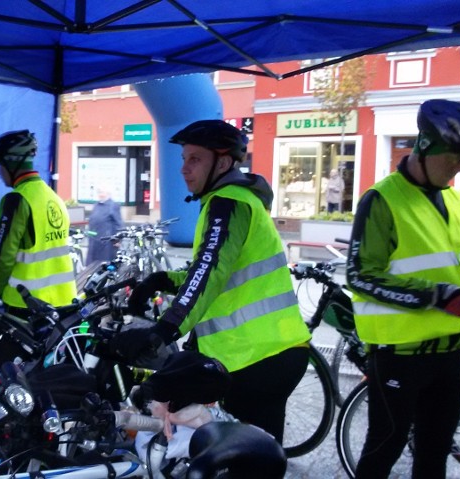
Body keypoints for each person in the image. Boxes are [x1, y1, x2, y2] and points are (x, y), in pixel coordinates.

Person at [112, 119, 312, 443]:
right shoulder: (237, 200)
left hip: (256, 358)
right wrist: (160, 280)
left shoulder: (227, 203)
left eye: (195, 159)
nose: (184, 169)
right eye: (183, 159)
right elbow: (215, 273)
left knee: (237, 456)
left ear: (222, 162)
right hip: (277, 350)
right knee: (259, 458)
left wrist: (163, 331)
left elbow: (208, 273)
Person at [346, 99, 460, 478]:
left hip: (450, 354)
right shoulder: (382, 200)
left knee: (434, 454)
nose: (459, 168)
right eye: (454, 159)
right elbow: (361, 275)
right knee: (384, 448)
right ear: (425, 147)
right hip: (400, 357)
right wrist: (436, 295)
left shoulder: (459, 202)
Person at [0, 129, 76, 317]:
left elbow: (3, 256)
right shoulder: (53, 197)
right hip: (64, 301)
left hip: (26, 305)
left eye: (0, 165)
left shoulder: (16, 200)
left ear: (11, 163)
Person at [86, 187, 123, 265]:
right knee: (92, 264)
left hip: (106, 242)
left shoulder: (113, 205)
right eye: (99, 192)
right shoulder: (96, 205)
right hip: (94, 240)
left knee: (105, 265)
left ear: (108, 194)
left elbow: (118, 223)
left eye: (103, 192)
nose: (100, 195)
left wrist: (118, 239)